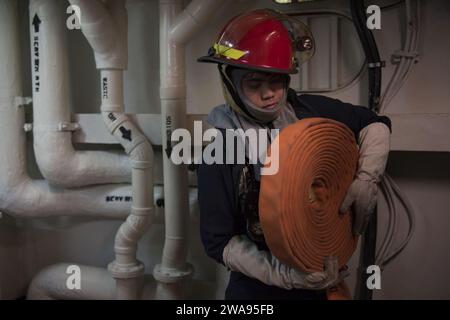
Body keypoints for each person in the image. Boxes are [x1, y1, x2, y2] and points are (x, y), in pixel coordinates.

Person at [196, 9, 391, 300]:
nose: (269, 94)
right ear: (229, 82)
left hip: (322, 279)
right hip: (257, 292)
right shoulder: (219, 149)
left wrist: (367, 179)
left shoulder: (308, 110)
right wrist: (283, 275)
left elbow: (374, 123)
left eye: (276, 81)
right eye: (254, 83)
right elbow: (218, 242)